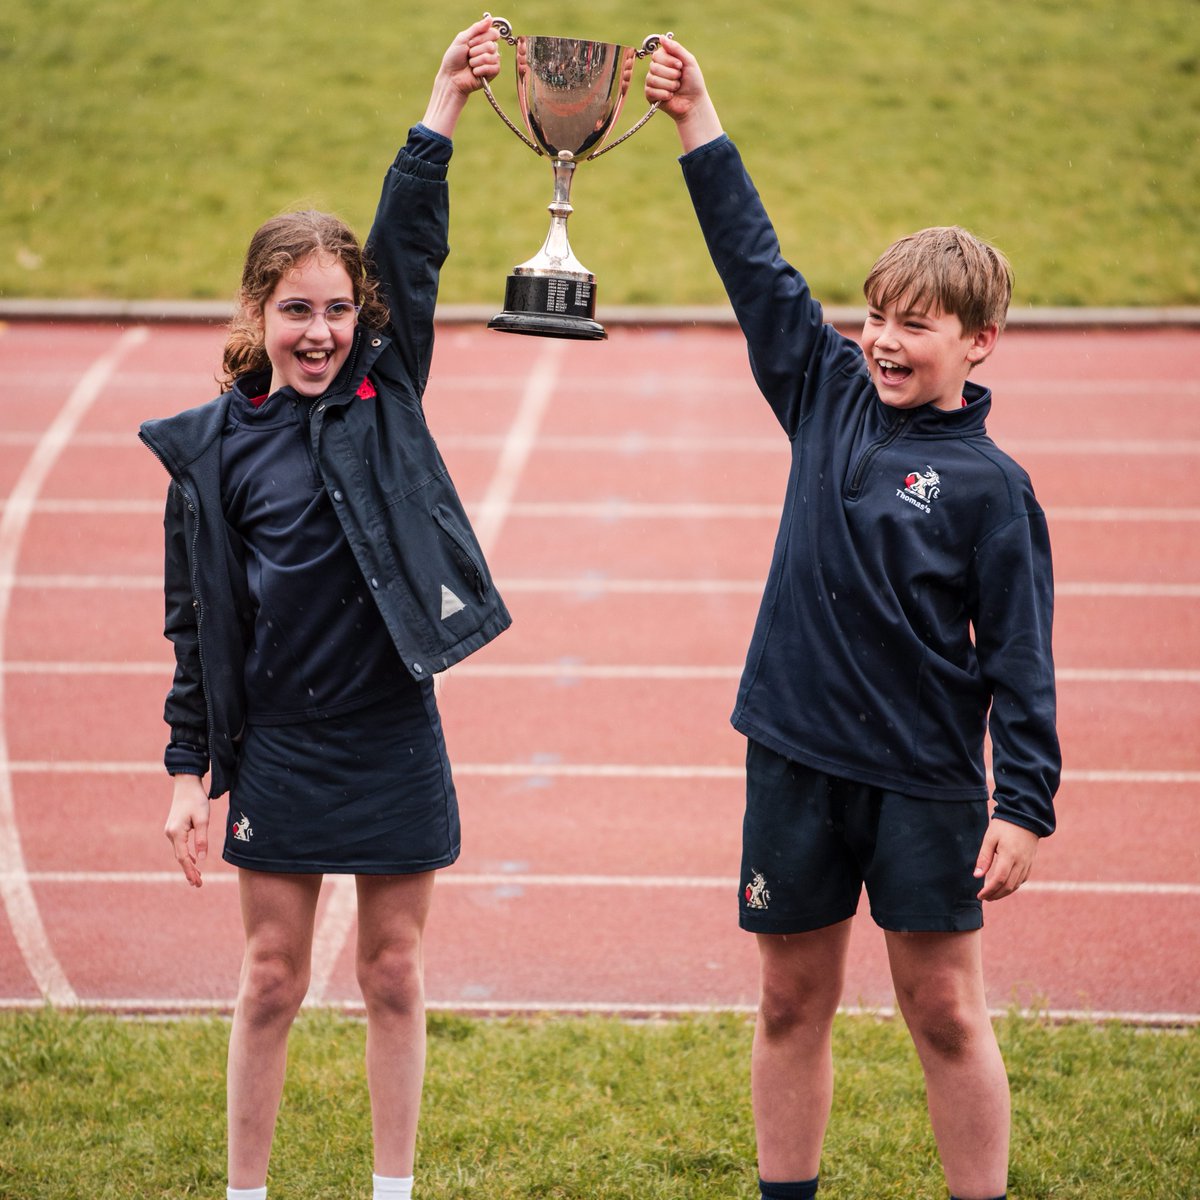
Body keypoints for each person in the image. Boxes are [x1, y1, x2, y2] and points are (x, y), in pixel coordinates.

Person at [646, 38, 1060, 1200]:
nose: (882, 338)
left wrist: (1022, 804)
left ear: (977, 344)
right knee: (790, 1001)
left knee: (942, 1010)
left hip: (923, 780)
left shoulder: (992, 487)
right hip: (793, 756)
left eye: (915, 325)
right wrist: (697, 118)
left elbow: (1021, 661)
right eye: (876, 314)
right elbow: (757, 267)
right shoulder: (824, 393)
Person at [138, 18, 507, 1200]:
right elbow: (196, 626)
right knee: (271, 977)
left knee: (393, 972)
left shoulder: (383, 389)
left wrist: (441, 107)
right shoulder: (213, 453)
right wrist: (189, 771)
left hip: (392, 732)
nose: (320, 331)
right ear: (257, 311)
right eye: (296, 309)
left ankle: (390, 1190)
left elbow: (412, 245)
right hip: (285, 743)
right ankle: (246, 1192)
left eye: (338, 310)